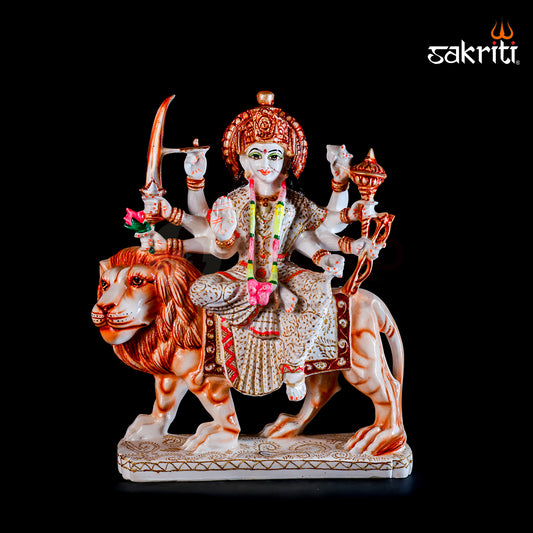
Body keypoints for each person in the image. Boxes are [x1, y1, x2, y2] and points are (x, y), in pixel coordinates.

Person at [141, 91, 379, 400]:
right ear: (242, 160)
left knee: (319, 290)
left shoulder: (294, 202)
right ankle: (269, 296)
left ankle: (293, 365)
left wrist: (344, 230)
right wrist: (213, 226)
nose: (265, 164)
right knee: (199, 290)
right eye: (256, 155)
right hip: (244, 275)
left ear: (287, 161)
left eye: (274, 156)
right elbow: (218, 246)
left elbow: (320, 227)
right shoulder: (236, 200)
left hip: (287, 271)